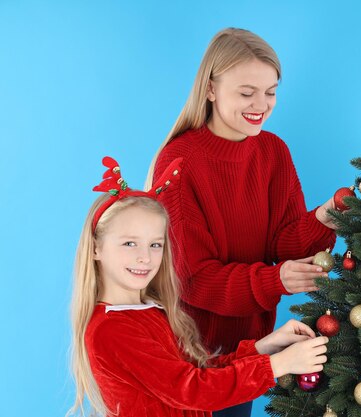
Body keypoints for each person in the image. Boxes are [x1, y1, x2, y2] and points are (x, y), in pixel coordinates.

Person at [146, 28, 338, 417]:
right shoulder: (180, 162)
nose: (262, 105)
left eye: (270, 92)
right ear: (211, 89)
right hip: (193, 355)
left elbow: (284, 243)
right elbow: (193, 278)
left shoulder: (273, 151)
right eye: (247, 93)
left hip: (251, 348)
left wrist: (326, 216)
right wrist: (275, 280)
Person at [68, 157, 328, 417]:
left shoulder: (150, 311)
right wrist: (277, 365)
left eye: (155, 244)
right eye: (129, 243)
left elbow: (198, 371)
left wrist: (263, 348)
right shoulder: (111, 329)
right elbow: (192, 390)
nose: (144, 257)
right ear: (95, 248)